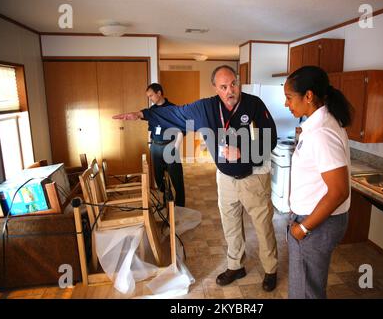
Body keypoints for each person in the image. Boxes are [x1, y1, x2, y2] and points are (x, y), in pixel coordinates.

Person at [113, 65, 279, 292]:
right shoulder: (205, 108)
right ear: (215, 88)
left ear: (238, 82)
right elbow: (175, 113)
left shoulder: (253, 104)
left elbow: (270, 138)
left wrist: (244, 151)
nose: (230, 90)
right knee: (230, 225)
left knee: (263, 226)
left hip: (253, 178)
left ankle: (270, 269)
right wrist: (143, 114)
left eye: (233, 84)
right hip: (226, 179)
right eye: (223, 86)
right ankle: (235, 265)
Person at [284, 65, 352, 299]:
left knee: (305, 291)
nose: (287, 104)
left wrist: (303, 228)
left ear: (309, 96)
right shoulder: (317, 125)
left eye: (289, 97)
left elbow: (339, 191)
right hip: (314, 220)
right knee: (307, 284)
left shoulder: (321, 132)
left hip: (315, 223)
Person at [114, 83, 185, 207]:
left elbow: (182, 129)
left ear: (159, 93)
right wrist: (150, 144)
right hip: (155, 146)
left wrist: (176, 146)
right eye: (148, 96)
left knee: (176, 176)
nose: (150, 98)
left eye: (151, 95)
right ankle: (166, 199)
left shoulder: (173, 109)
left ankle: (180, 204)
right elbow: (149, 128)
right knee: (158, 176)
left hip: (170, 146)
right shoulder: (151, 111)